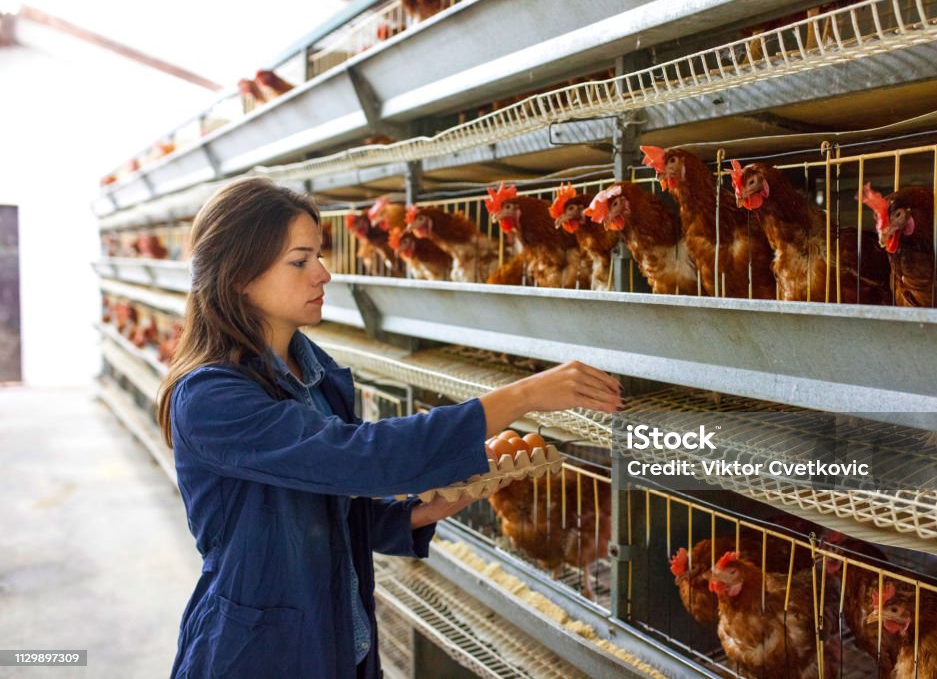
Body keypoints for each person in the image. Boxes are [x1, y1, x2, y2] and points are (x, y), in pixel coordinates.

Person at [155, 177, 623, 678]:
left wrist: (435, 504)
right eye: (300, 261)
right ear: (238, 276)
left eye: (319, 255)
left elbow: (334, 509)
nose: (324, 273)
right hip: (257, 657)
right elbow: (360, 458)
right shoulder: (210, 398)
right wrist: (524, 396)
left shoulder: (315, 374)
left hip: (343, 643)